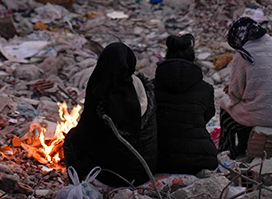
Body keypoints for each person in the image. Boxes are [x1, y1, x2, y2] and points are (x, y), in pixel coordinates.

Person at [63, 43, 158, 187]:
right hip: (145, 171)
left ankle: (78, 184)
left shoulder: (100, 92)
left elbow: (85, 134)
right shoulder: (145, 88)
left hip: (111, 176)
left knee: (72, 139)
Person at [219, 17, 272, 158]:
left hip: (267, 116)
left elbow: (235, 95)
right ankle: (245, 144)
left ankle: (227, 151)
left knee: (225, 105)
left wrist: (230, 89)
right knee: (249, 104)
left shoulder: (244, 54)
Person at [154, 34, 218, 174]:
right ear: (192, 57)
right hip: (200, 159)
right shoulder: (206, 88)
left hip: (159, 159)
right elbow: (207, 116)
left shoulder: (152, 87)